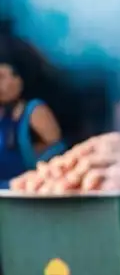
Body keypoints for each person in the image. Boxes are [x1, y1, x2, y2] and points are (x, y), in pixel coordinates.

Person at [0, 60, 64, 188]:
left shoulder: (34, 110)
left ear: (18, 80)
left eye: (1, 77)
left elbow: (57, 149)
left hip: (23, 191)